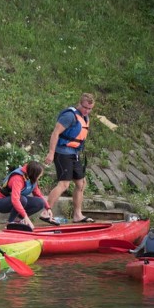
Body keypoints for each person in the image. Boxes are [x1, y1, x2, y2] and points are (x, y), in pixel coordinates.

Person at [44, 93, 94, 223]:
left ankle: (77, 215)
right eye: (85, 108)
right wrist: (51, 153)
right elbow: (55, 133)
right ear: (80, 103)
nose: (87, 111)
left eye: (90, 109)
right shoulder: (69, 116)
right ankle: (45, 212)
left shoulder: (85, 117)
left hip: (74, 153)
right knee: (64, 184)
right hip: (63, 153)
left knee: (81, 183)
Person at [0, 161, 52, 228]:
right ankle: (10, 223)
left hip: (18, 199)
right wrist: (26, 217)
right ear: (34, 174)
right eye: (39, 175)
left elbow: (38, 194)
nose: (40, 176)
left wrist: (48, 208)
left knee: (41, 202)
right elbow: (15, 200)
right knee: (22, 200)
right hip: (1, 202)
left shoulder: (31, 178)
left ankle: (17, 220)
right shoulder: (17, 178)